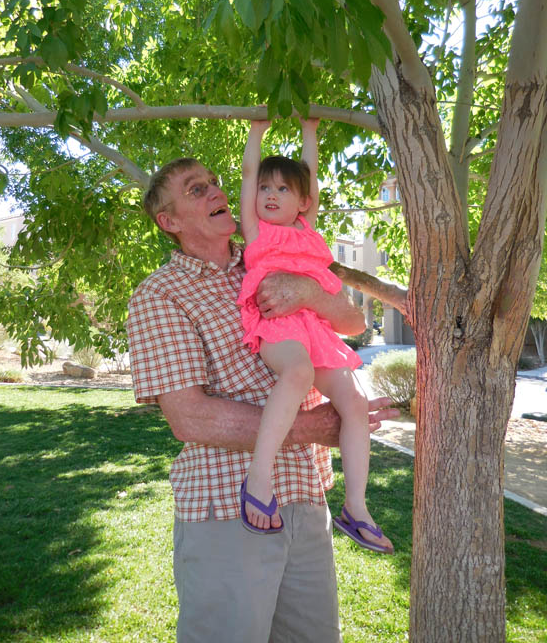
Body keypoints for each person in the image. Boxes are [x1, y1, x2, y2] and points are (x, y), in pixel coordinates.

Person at [127, 153, 398, 643]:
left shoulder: (264, 254)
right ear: (168, 222)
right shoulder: (160, 295)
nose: (216, 191)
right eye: (195, 189)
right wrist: (312, 428)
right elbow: (190, 418)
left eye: (214, 180)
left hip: (307, 499)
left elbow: (354, 323)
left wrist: (310, 294)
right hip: (225, 506)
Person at [237, 120, 393, 556]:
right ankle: (259, 476)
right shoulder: (256, 230)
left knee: (355, 401)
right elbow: (248, 175)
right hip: (278, 324)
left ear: (302, 201)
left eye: (282, 190)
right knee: (299, 372)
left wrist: (310, 130)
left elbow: (311, 175)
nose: (269, 194)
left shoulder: (308, 228)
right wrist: (256, 133)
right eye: (266, 188)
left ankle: (356, 507)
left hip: (317, 327)